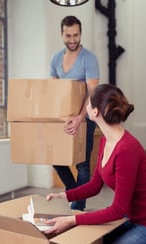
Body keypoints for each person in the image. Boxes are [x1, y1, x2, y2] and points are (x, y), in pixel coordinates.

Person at [45, 83, 146, 244]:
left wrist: (72, 220)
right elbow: (96, 184)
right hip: (133, 218)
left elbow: (117, 210)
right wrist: (64, 196)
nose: (85, 107)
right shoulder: (106, 141)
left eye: (87, 103)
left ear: (95, 111)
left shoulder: (126, 149)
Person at [50, 15, 99, 211]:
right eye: (68, 35)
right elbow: (53, 91)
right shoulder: (55, 58)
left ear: (81, 33)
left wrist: (80, 118)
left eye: (76, 35)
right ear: (62, 34)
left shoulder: (89, 59)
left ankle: (78, 208)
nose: (72, 40)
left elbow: (93, 93)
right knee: (55, 158)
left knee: (82, 165)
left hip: (85, 118)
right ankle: (72, 189)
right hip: (63, 118)